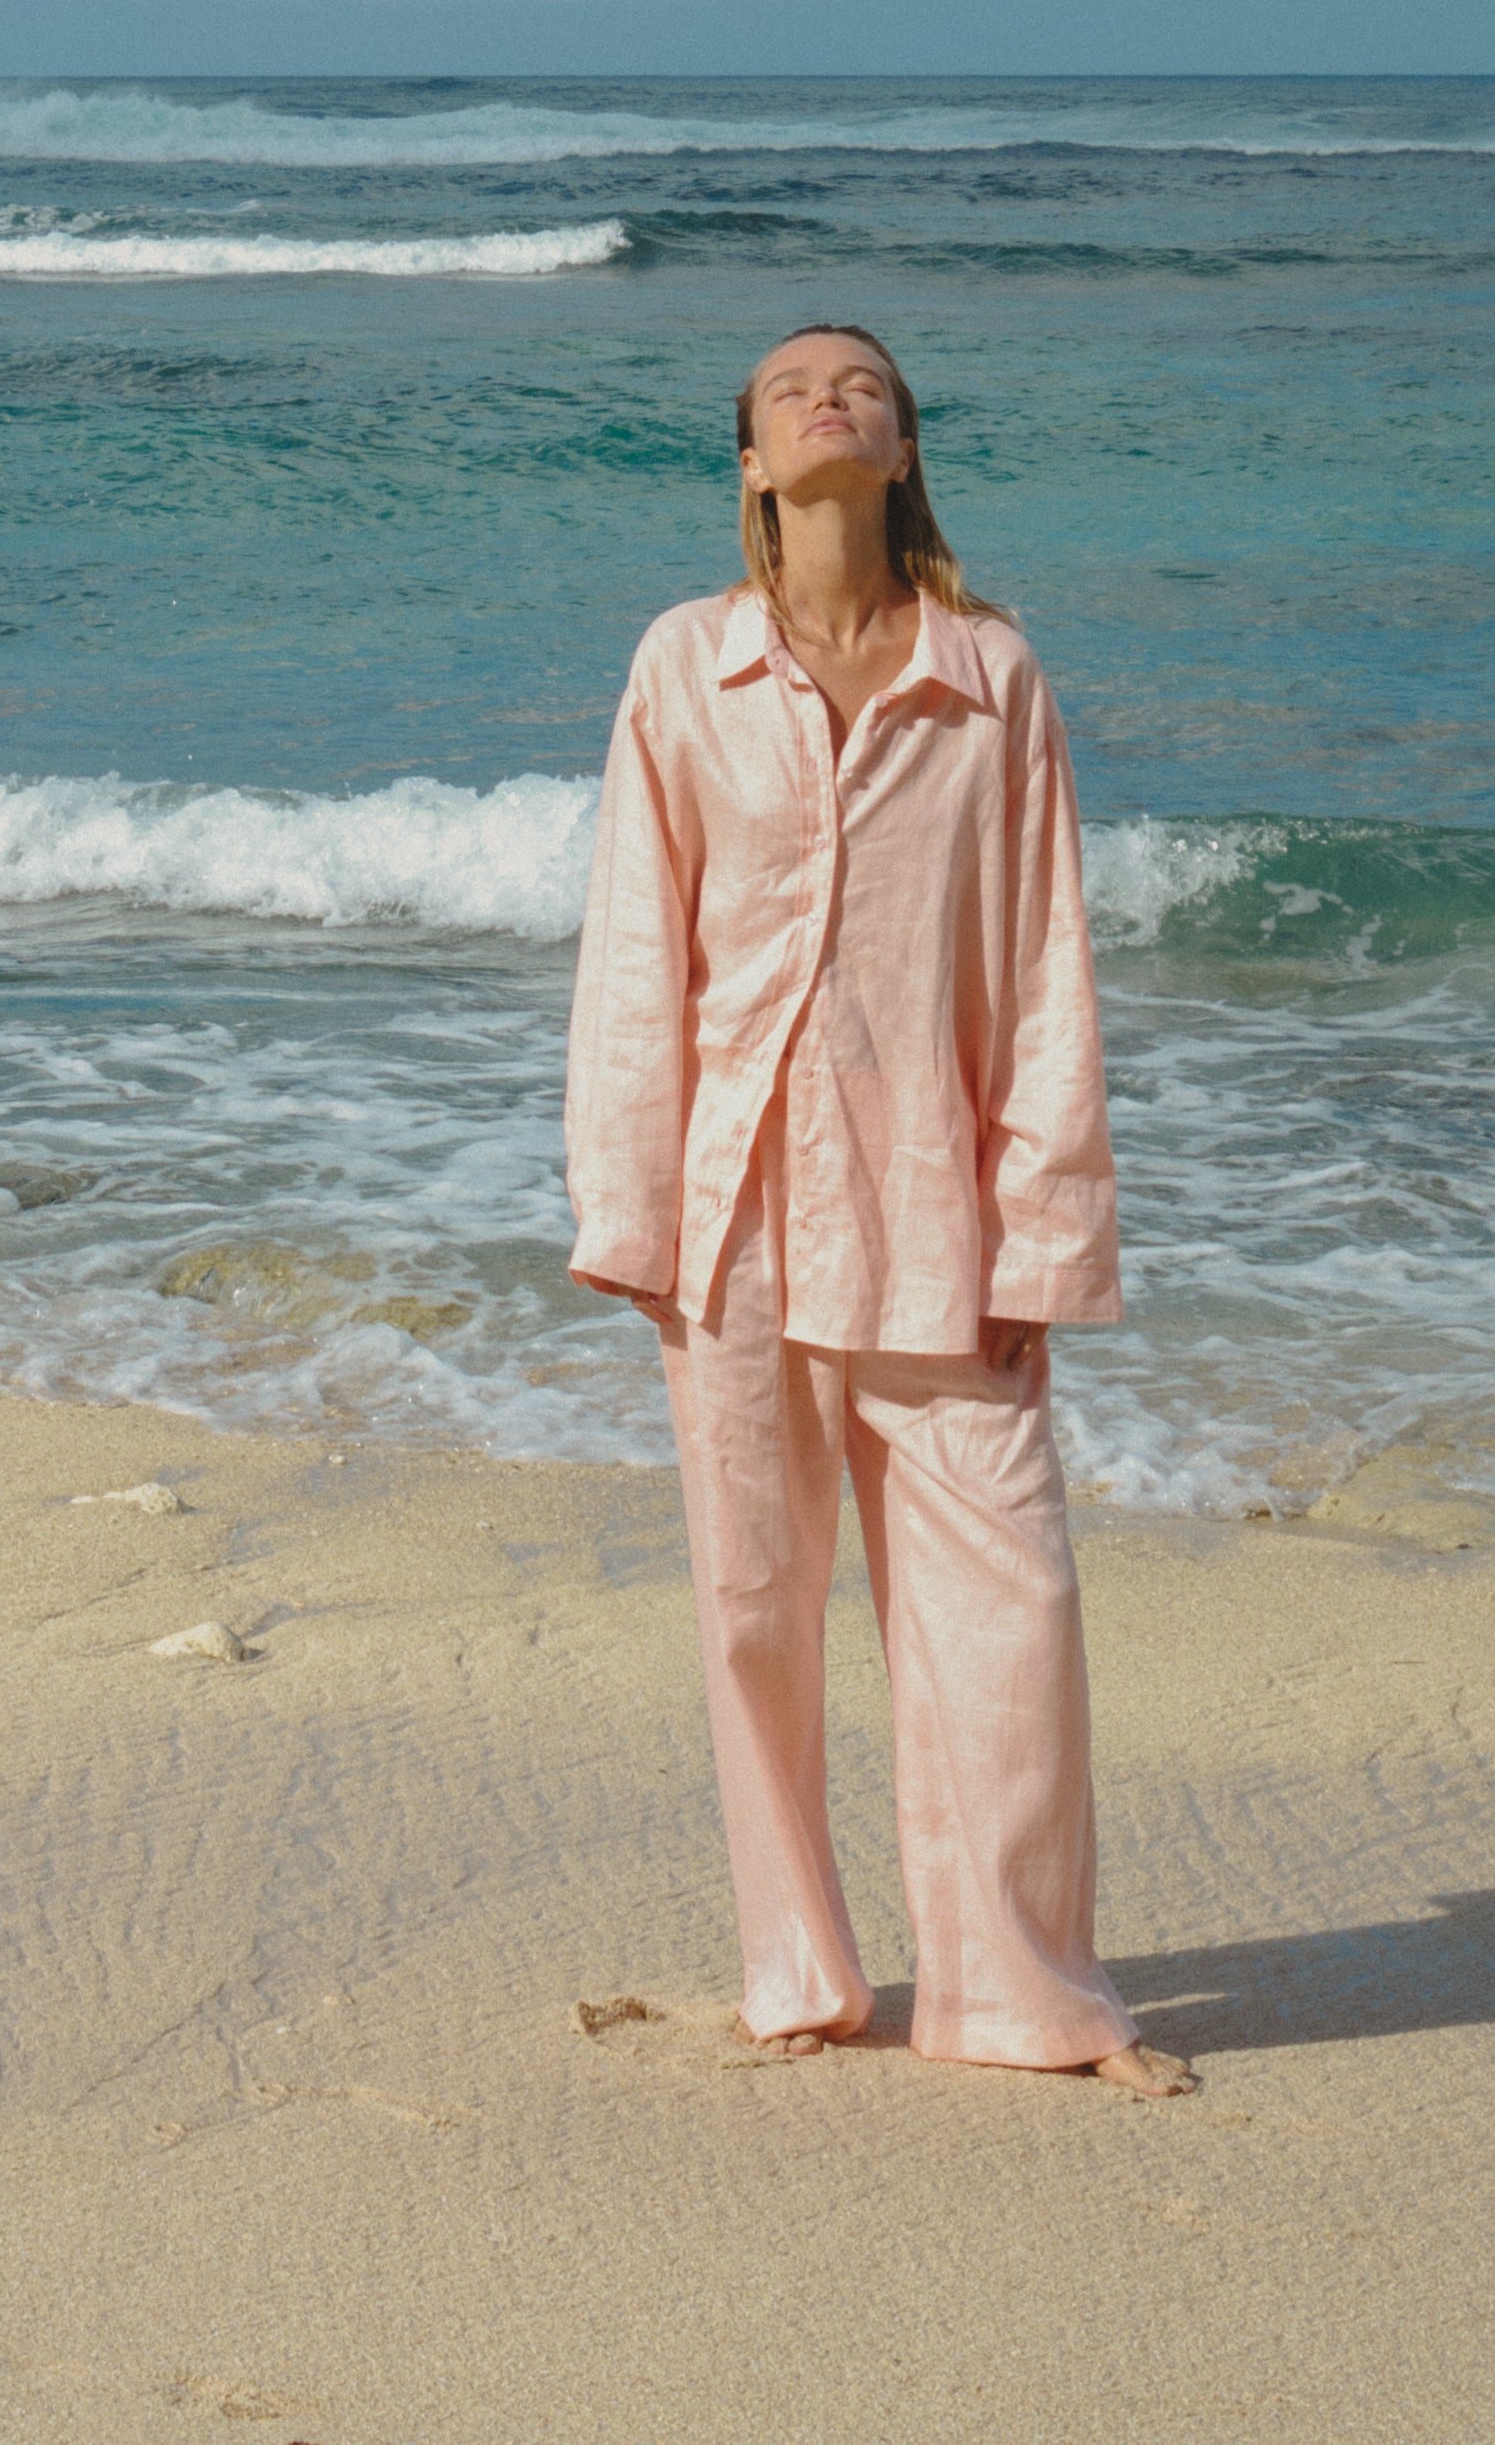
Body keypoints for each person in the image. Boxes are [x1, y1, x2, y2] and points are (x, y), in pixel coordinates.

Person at [564, 321, 1183, 2093]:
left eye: (861, 384)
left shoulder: (993, 674)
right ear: (750, 465)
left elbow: (1046, 965)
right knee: (755, 1607)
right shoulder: (683, 667)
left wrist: (1044, 1234)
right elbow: (634, 952)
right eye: (787, 390)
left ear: (902, 445)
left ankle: (1020, 1994)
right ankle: (801, 1974)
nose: (827, 398)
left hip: (940, 1215)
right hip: (731, 1210)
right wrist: (630, 1208)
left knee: (1008, 1613)